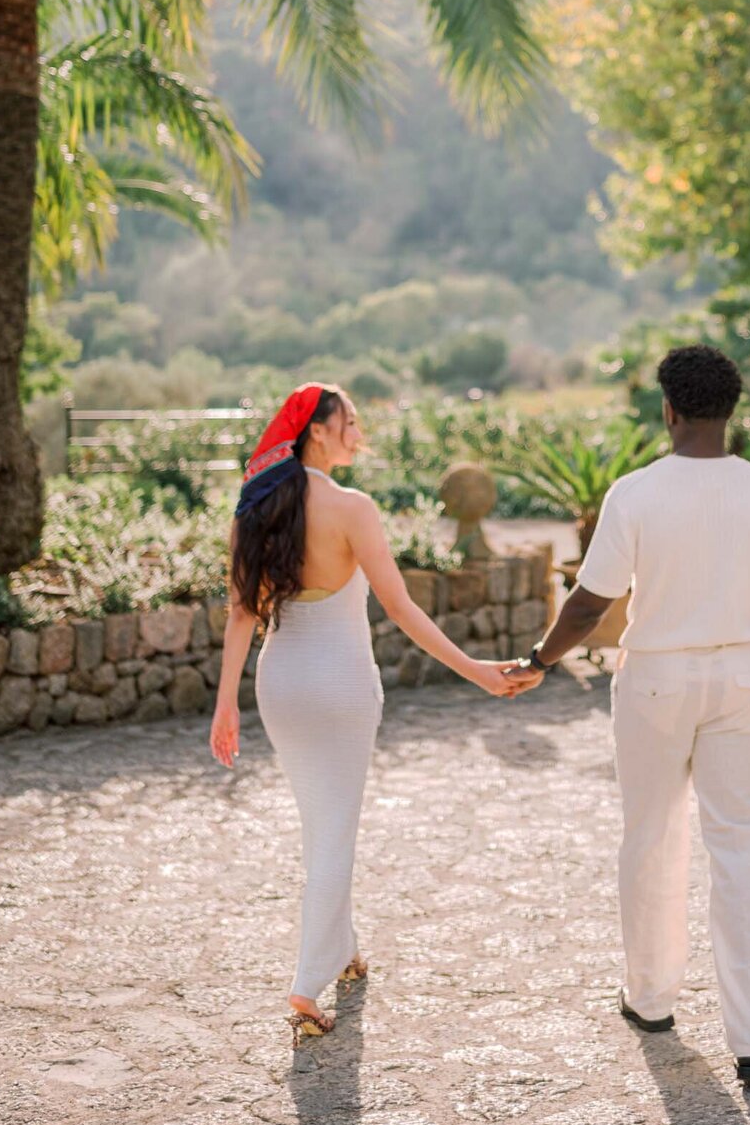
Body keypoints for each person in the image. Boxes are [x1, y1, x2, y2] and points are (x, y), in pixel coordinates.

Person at [505, 344, 750, 1090]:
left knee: (652, 836)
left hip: (656, 683)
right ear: (731, 413)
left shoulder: (635, 493)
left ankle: (651, 1001)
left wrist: (541, 660)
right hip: (739, 675)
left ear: (667, 410)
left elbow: (588, 603)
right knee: (743, 850)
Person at [209, 382, 525, 1045]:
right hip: (343, 684)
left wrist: (225, 706)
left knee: (322, 820)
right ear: (317, 431)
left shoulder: (254, 507)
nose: (359, 432)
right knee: (335, 829)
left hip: (281, 683)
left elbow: (242, 612)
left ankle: (343, 948)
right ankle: (305, 981)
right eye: (349, 421)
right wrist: (477, 672)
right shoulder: (352, 508)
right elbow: (402, 610)